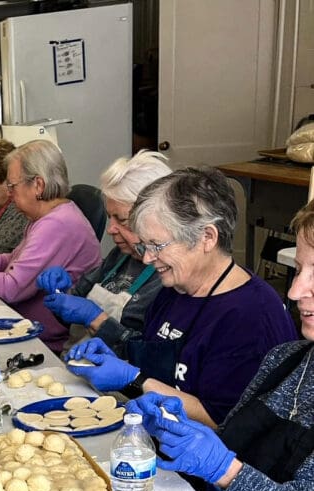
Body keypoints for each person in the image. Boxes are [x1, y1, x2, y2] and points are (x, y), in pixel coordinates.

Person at [127, 199, 314, 491]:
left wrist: (225, 470)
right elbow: (234, 442)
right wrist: (179, 429)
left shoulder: (250, 316)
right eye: (300, 270)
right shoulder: (286, 360)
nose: (295, 290)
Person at [65, 166, 297, 425]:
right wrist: (117, 354)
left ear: (207, 237)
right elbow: (158, 366)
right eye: (145, 245)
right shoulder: (174, 290)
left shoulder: (250, 317)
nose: (148, 257)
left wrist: (134, 379)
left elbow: (222, 421)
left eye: (157, 245)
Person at [0, 139, 101, 351]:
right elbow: (14, 260)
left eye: (12, 186)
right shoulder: (44, 217)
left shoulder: (57, 224)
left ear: (38, 185)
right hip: (24, 325)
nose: (9, 193)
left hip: (44, 340)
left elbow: (12, 288)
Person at [36, 150, 171, 351]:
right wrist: (61, 293)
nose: (110, 230)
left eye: (122, 219)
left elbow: (150, 355)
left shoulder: (168, 276)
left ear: (154, 216)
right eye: (110, 218)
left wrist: (97, 319)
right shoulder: (120, 256)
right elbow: (73, 312)